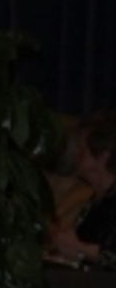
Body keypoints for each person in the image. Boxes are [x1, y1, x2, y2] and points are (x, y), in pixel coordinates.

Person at [46, 110, 116, 270]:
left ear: (102, 157)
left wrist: (79, 248)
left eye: (82, 149)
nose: (76, 154)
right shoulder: (96, 199)